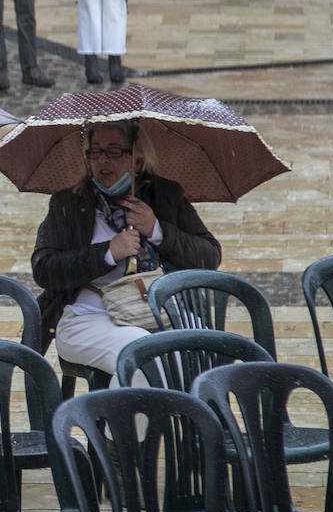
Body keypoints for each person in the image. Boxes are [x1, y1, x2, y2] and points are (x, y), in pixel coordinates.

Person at [30, 121, 221, 373]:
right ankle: (128, 400)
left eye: (114, 151)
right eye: (95, 151)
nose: (103, 160)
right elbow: (44, 270)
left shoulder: (165, 195)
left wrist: (156, 230)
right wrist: (108, 252)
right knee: (141, 354)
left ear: (137, 161)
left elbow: (209, 257)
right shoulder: (68, 202)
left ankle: (130, 397)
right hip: (89, 315)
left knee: (201, 353)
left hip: (159, 310)